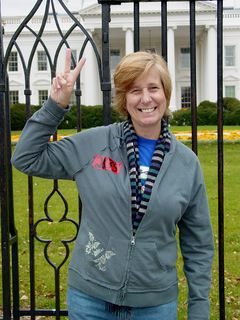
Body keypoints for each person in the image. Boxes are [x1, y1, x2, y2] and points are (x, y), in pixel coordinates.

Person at [12, 49, 214, 320]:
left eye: (153, 88)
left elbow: (198, 243)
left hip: (154, 306)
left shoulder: (187, 164)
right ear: (123, 99)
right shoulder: (93, 145)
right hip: (90, 301)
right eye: (134, 90)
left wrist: (199, 308)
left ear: (165, 93)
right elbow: (25, 158)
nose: (145, 98)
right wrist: (55, 105)